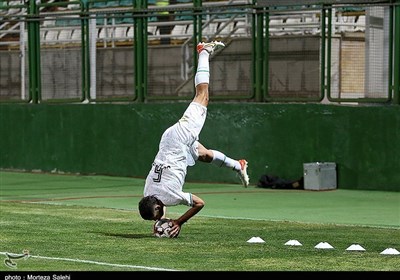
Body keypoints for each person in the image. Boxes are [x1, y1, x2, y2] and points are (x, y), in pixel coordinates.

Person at [138, 41, 249, 238]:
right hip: (171, 144)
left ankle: (203, 51)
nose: (159, 219)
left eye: (156, 217)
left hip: (179, 139)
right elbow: (159, 202)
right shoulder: (148, 192)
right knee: (205, 155)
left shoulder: (170, 196)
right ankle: (238, 166)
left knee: (202, 95)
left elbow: (200, 203)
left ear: (156, 205)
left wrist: (178, 222)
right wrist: (160, 220)